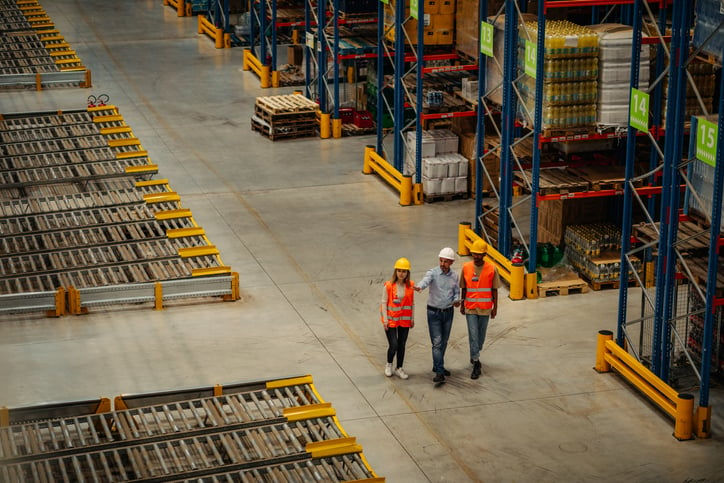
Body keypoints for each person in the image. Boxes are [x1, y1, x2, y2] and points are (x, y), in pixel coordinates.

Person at [415, 247, 461, 383]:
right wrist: (419, 287)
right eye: (441, 260)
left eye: (446, 261)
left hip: (448, 312)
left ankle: (437, 365)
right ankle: (440, 372)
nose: (442, 264)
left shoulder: (454, 276)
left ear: (451, 262)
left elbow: (456, 292)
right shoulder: (433, 273)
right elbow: (425, 281)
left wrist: (457, 300)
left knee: (444, 342)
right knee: (437, 343)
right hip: (434, 312)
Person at [460, 239, 500, 380]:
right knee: (473, 335)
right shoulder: (466, 267)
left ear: (484, 255)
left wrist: (495, 308)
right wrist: (462, 302)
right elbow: (464, 287)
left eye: (479, 254)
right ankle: (476, 362)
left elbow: (494, 289)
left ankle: (475, 352)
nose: (476, 257)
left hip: (485, 308)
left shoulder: (492, 268)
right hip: (470, 307)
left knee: (480, 337)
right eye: (474, 254)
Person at [380, 257, 415, 380]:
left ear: (407, 273)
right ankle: (389, 364)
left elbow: (411, 303)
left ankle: (399, 367)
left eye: (404, 271)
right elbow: (384, 302)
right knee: (393, 344)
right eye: (399, 271)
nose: (401, 273)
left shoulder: (410, 286)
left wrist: (412, 318)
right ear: (396, 272)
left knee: (402, 344)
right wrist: (385, 320)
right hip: (391, 320)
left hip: (404, 320)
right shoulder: (389, 286)